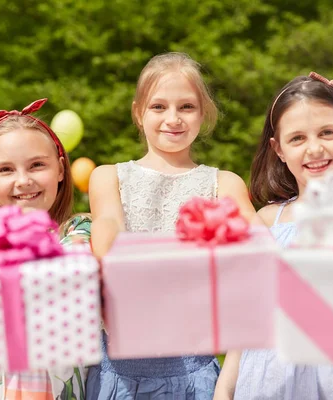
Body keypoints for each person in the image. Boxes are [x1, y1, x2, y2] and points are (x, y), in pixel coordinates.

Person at [214, 72, 333, 400]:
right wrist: (225, 390)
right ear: (279, 149)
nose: (314, 148)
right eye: (297, 138)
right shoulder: (266, 221)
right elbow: (249, 320)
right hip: (270, 381)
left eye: (328, 132)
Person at [87, 52, 256, 399]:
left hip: (193, 368)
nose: (173, 119)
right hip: (118, 370)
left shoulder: (224, 184)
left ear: (204, 112)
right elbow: (107, 231)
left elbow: (258, 254)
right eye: (158, 107)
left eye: (187, 107)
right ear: (138, 112)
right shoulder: (109, 177)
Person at [0, 98, 90, 400]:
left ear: (61, 170)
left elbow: (75, 272)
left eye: (37, 165)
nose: (24, 181)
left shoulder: (79, 230)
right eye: (6, 170)